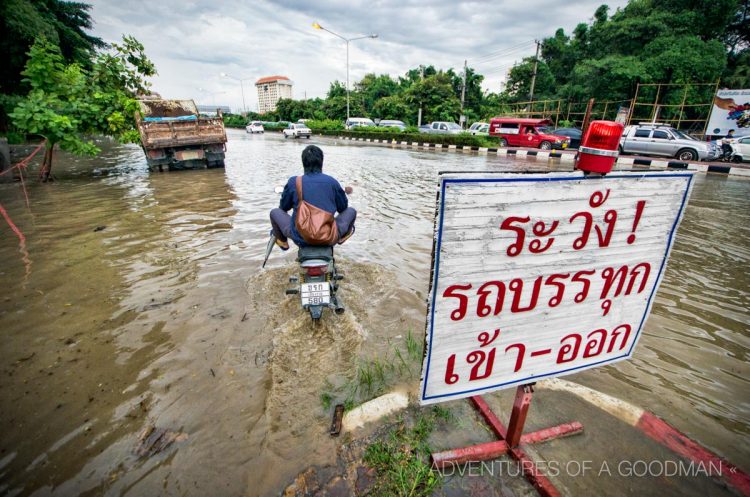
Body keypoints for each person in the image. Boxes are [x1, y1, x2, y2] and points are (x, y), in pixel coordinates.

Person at [270, 145, 356, 250]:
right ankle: (341, 237)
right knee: (351, 211)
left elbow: (283, 207)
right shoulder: (332, 182)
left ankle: (283, 243)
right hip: (329, 237)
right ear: (321, 162)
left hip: (300, 238)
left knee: (274, 212)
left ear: (303, 163)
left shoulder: (294, 182)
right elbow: (343, 208)